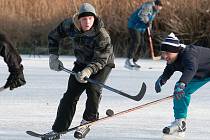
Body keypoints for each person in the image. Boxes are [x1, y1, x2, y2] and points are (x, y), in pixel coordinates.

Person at [46, 3, 115, 139]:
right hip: (81, 62)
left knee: (93, 88)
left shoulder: (102, 35)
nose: (87, 22)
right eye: (84, 19)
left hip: (103, 63)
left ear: (94, 18)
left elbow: (101, 59)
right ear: (78, 19)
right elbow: (53, 36)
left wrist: (88, 70)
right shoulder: (69, 26)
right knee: (70, 95)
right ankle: (58, 130)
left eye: (90, 18)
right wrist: (53, 56)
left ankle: (88, 120)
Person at [155, 33, 210, 136]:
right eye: (163, 53)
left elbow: (191, 69)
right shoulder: (173, 58)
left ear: (176, 51)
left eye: (167, 53)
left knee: (180, 88)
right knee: (181, 91)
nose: (165, 56)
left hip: (203, 71)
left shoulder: (189, 54)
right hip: (202, 74)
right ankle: (180, 123)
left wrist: (182, 84)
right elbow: (169, 68)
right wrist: (162, 79)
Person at [125, 0, 163, 69]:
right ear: (156, 5)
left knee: (142, 44)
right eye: (159, 8)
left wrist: (149, 30)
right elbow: (141, 14)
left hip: (141, 28)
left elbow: (150, 21)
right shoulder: (148, 6)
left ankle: (134, 60)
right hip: (134, 26)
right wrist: (146, 22)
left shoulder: (154, 11)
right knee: (136, 42)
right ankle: (128, 60)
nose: (159, 10)